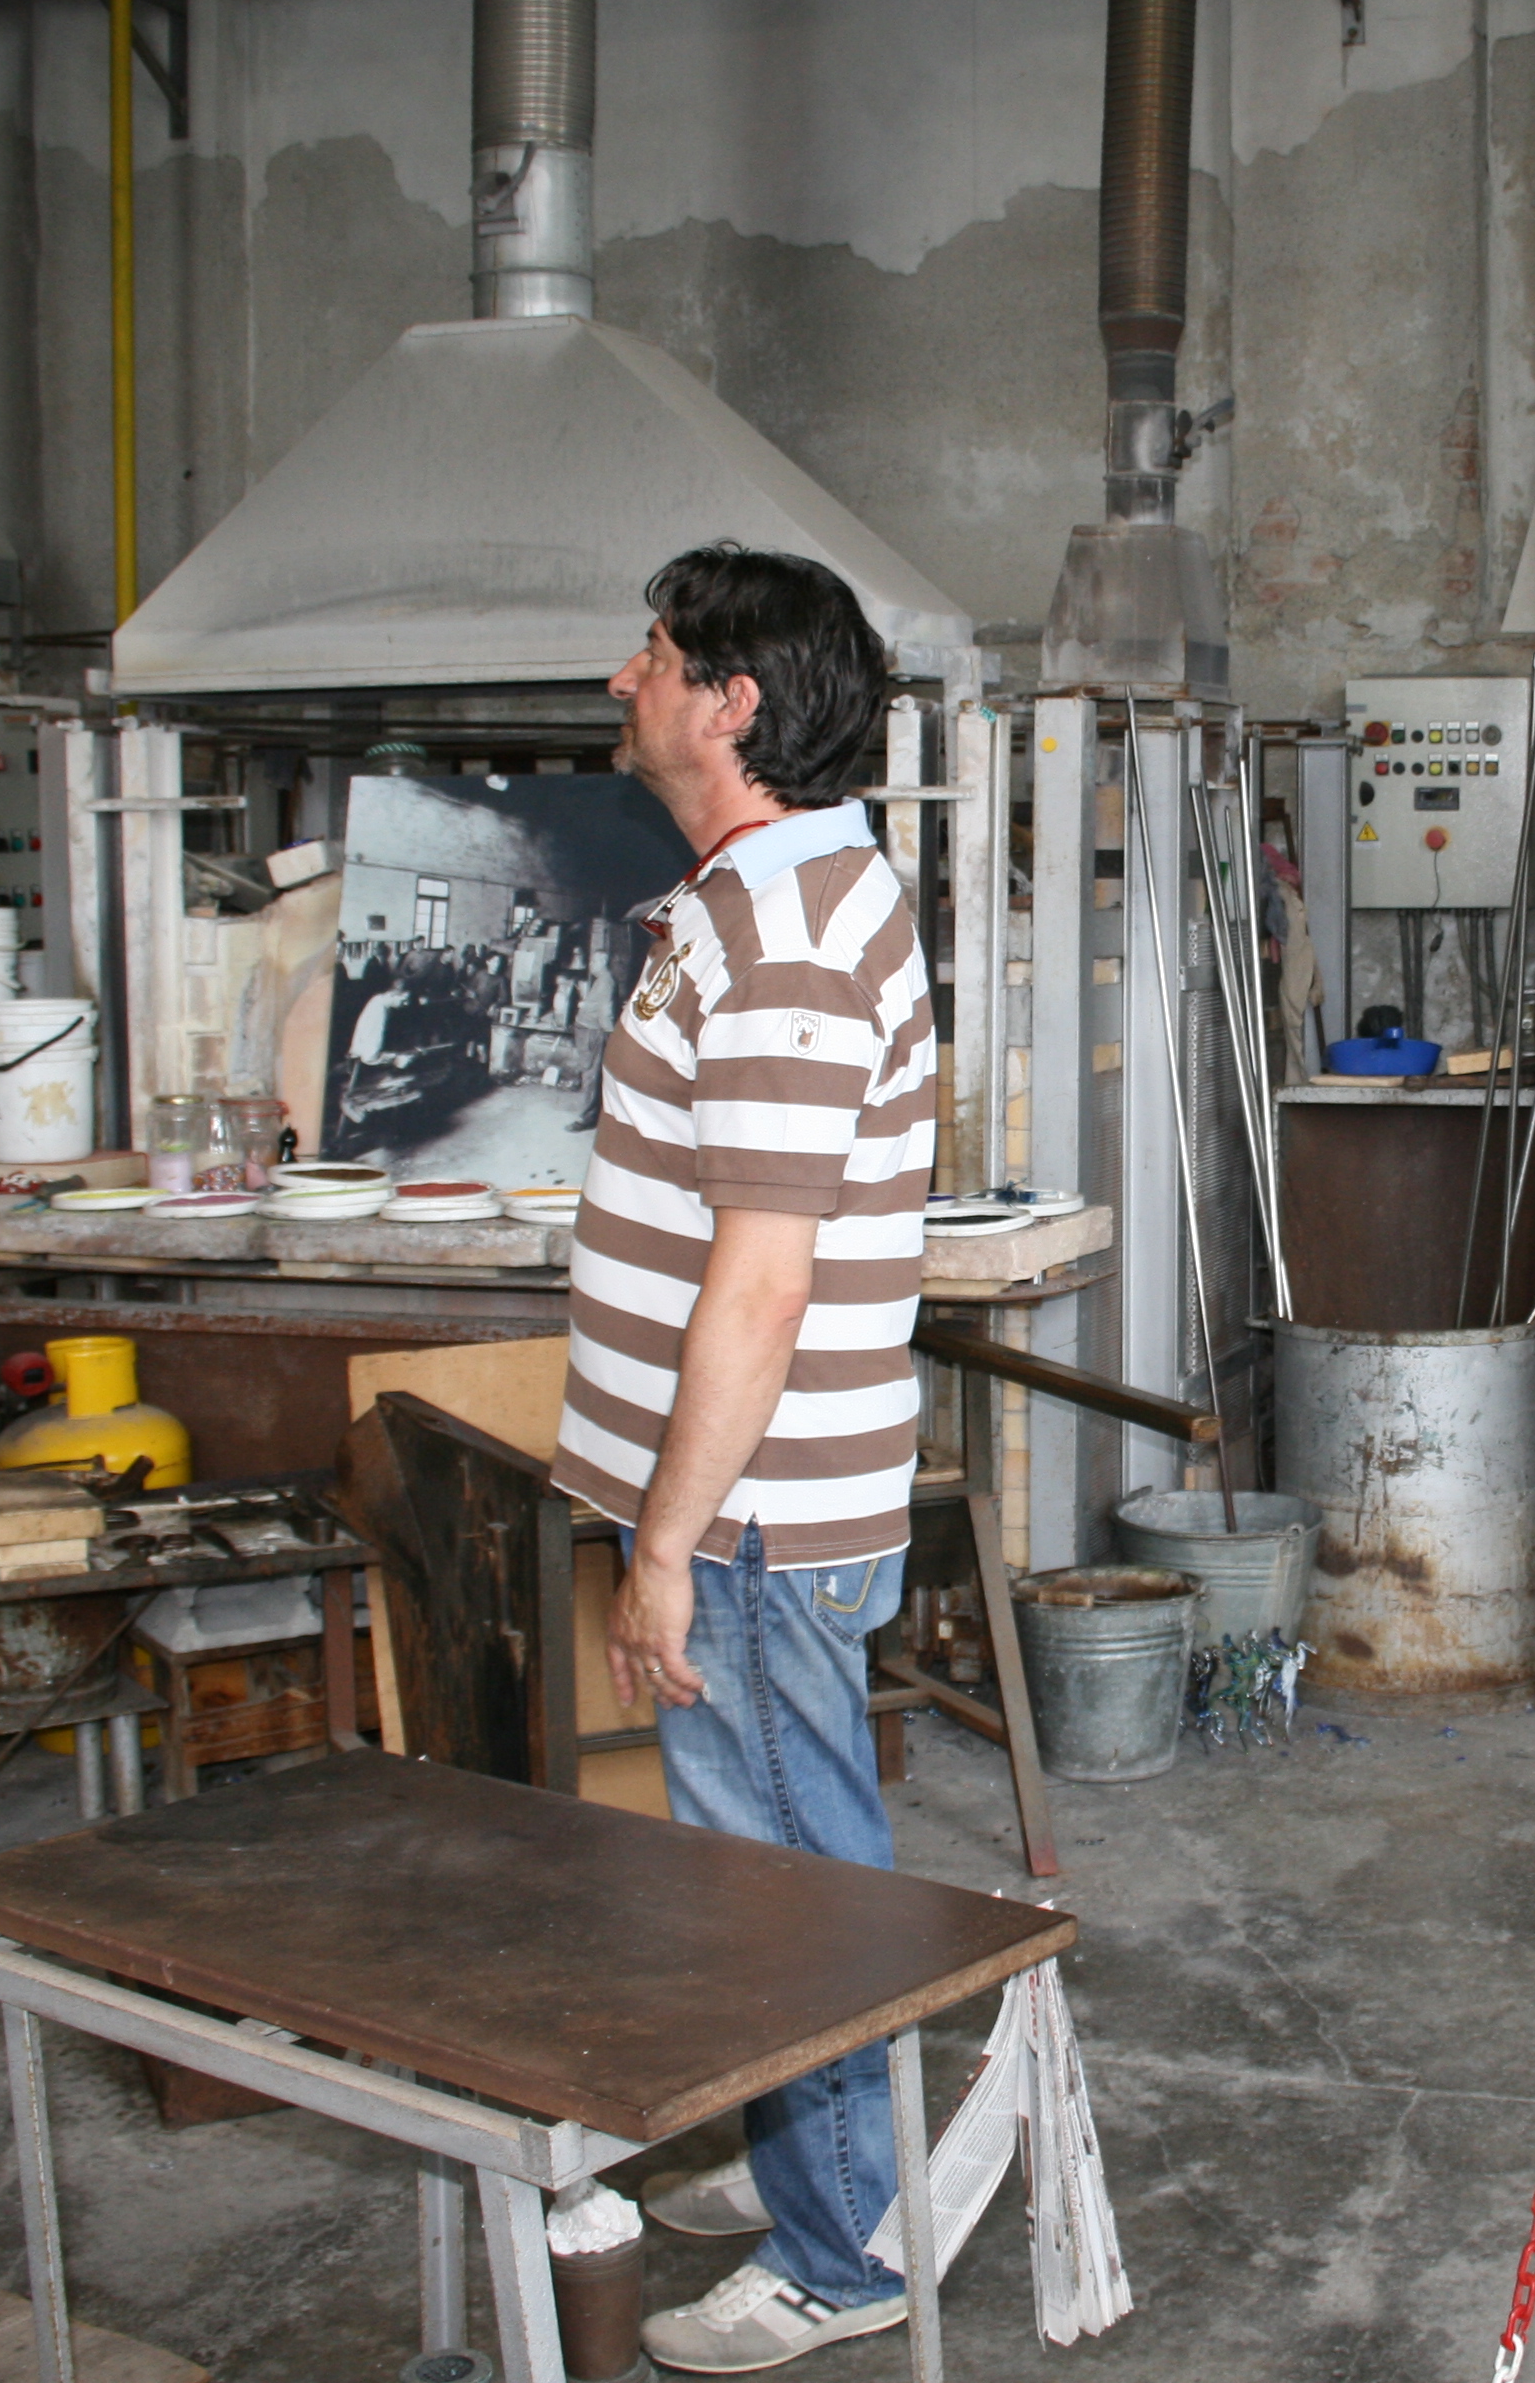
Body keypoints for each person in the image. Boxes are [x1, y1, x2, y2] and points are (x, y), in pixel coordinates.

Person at [550, 542, 933, 2376]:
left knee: (784, 1884)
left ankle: (843, 2251)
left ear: (733, 701)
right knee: (774, 1867)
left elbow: (763, 1287)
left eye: (652, 655)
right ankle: (814, 2157)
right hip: (751, 1512)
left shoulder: (780, 935)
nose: (623, 681)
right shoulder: (756, 897)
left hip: (754, 1523)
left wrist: (665, 1546)